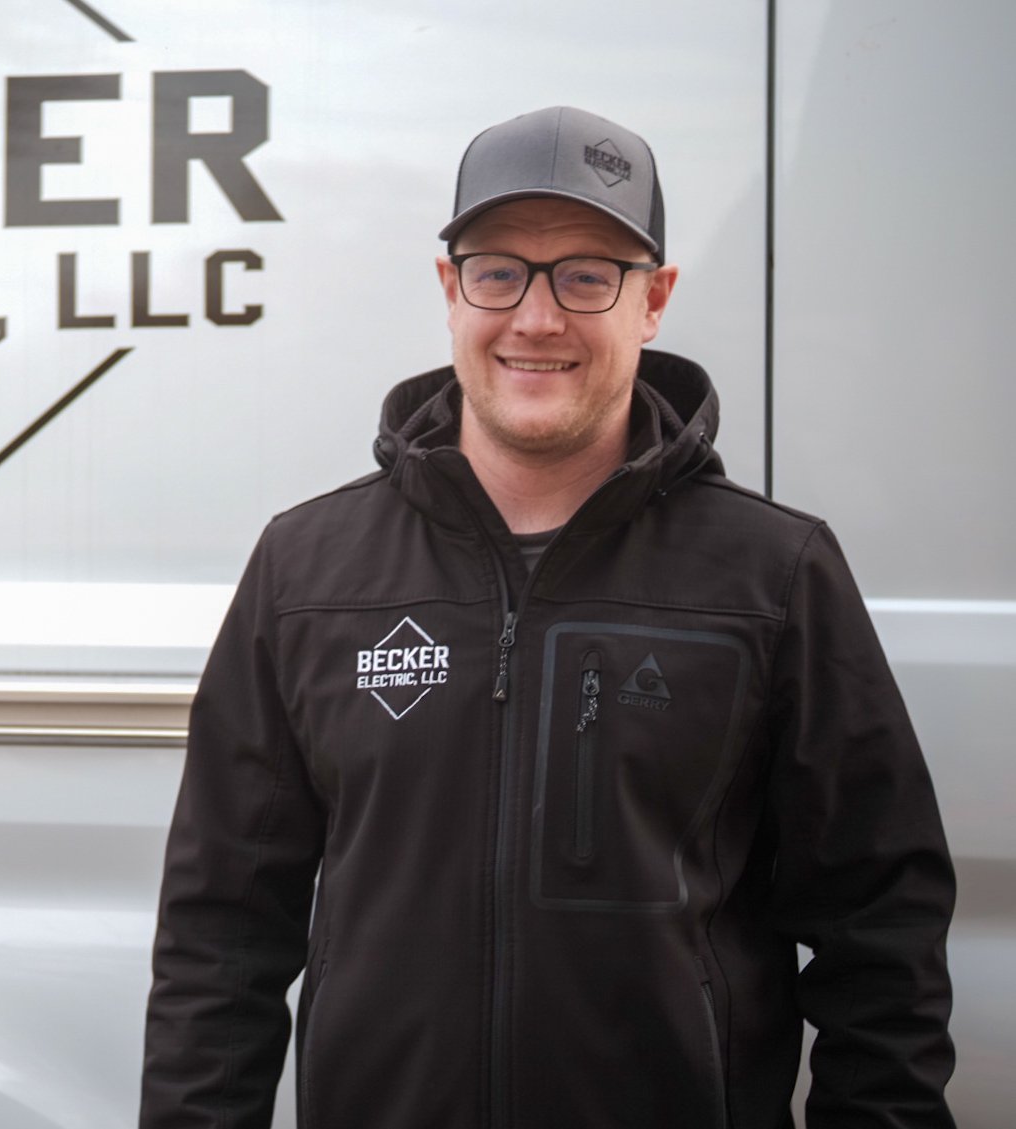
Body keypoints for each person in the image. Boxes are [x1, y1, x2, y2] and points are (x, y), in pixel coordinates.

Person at [139, 106, 955, 1129]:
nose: (535, 318)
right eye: (498, 272)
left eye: (586, 274)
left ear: (651, 301)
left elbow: (879, 928)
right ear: (450, 291)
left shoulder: (771, 573)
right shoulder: (308, 570)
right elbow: (221, 932)